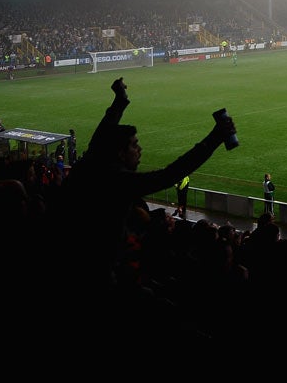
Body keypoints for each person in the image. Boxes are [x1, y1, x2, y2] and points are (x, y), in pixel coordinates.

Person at [55, 77, 238, 292]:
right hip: (96, 277)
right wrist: (214, 139)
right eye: (134, 145)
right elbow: (170, 174)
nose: (139, 149)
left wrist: (120, 100)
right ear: (120, 153)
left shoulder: (92, 164)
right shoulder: (117, 182)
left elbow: (104, 131)